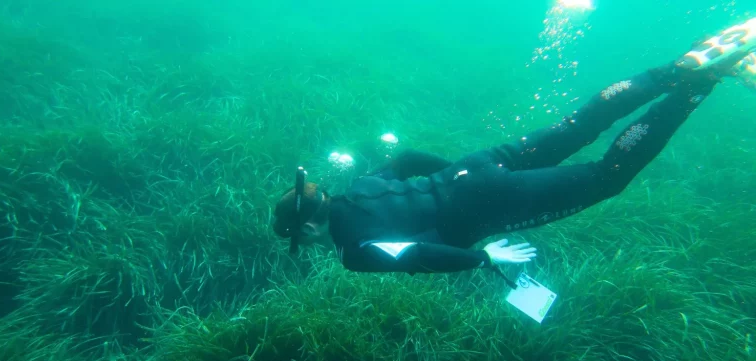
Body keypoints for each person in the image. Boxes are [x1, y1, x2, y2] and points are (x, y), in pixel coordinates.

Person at [272, 18, 756, 275]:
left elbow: (422, 256)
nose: (308, 246)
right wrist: (462, 180)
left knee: (606, 178)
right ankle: (673, 72)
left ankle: (698, 84)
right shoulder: (359, 187)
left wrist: (485, 256)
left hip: (487, 196)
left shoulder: (353, 252)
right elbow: (408, 160)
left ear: (310, 225)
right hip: (478, 168)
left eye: (301, 239)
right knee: (576, 127)